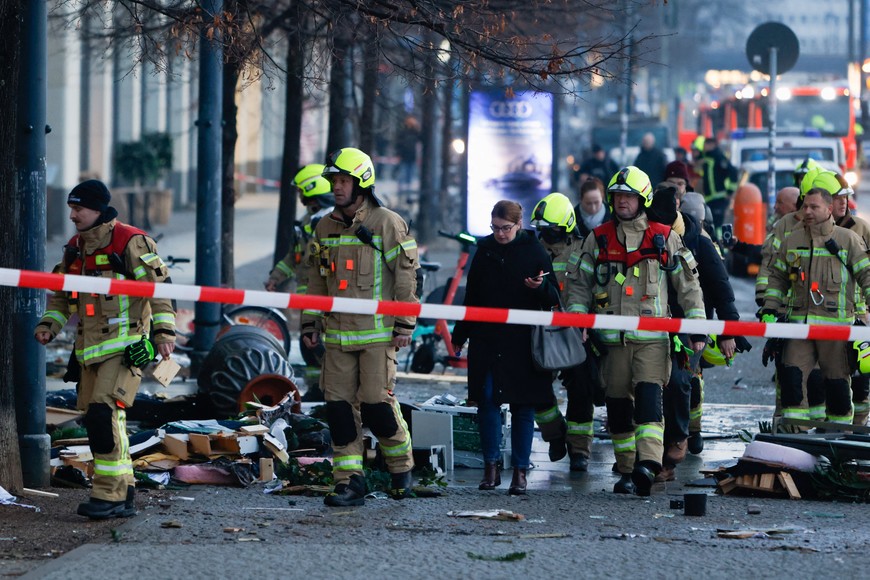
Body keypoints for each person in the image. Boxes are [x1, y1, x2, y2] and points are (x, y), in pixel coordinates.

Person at [34, 179, 176, 519]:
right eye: (70, 207)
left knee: (102, 414)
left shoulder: (131, 242)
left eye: (78, 208)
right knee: (108, 419)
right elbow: (61, 294)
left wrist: (164, 331)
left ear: (98, 209)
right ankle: (124, 489)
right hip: (89, 352)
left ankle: (108, 495)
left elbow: (159, 289)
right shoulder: (75, 248)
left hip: (126, 349)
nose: (72, 214)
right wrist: (48, 325)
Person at [565, 166, 705, 496]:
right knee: (618, 410)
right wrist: (577, 320)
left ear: (642, 199)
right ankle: (628, 470)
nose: (622, 202)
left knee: (648, 403)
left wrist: (698, 328)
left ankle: (650, 464)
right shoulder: (597, 239)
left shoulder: (664, 237)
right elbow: (578, 285)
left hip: (652, 342)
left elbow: (689, 286)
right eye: (618, 197)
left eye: (629, 196)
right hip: (612, 344)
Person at [300, 147, 419, 506]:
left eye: (342, 181)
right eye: (333, 181)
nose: (336, 187)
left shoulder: (387, 222)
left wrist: (404, 324)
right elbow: (315, 279)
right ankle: (349, 482)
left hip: (377, 337)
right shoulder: (323, 227)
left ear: (361, 183)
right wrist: (310, 321)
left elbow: (405, 277)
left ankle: (401, 467)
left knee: (376, 408)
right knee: (338, 411)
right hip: (336, 337)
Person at [451, 200, 560, 495]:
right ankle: (491, 467)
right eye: (495, 228)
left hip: (522, 341)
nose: (500, 233)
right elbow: (471, 297)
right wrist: (460, 333)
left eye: (505, 228)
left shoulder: (534, 251)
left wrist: (539, 288)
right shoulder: (485, 250)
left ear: (519, 225)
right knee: (486, 401)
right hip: (487, 339)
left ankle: (520, 473)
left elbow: (554, 298)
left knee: (523, 405)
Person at [645, 184, 747, 476]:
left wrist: (729, 332)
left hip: (690, 328)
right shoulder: (648, 236)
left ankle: (678, 440)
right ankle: (649, 456)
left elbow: (721, 288)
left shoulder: (700, 243)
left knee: (679, 383)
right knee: (650, 387)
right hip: (652, 325)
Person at [760, 186, 870, 427]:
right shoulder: (792, 240)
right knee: (791, 378)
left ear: (829, 209)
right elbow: (777, 277)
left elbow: (867, 277)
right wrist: (770, 308)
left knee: (837, 385)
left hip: (836, 331)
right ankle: (794, 437)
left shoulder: (848, 240)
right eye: (805, 206)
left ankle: (839, 439)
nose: (807, 211)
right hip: (800, 328)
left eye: (814, 207)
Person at [528, 192, 599, 472]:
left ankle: (580, 450)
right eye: (542, 230)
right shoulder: (533, 250)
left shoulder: (584, 248)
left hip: (574, 331)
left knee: (582, 388)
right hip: (539, 331)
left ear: (567, 226)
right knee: (534, 388)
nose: (546, 235)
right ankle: (555, 434)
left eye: (552, 230)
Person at [265, 164, 335, 382]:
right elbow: (293, 257)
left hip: (326, 298)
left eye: (302, 191)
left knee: (323, 346)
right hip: (309, 299)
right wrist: (276, 277)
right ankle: (317, 388)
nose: (300, 197)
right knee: (309, 345)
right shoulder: (308, 221)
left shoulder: (333, 221)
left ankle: (328, 387)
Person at [725, 186, 799, 265]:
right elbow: (765, 253)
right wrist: (737, 246)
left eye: (780, 203)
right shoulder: (781, 227)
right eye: (776, 202)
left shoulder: (804, 230)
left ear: (794, 206)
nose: (775, 206)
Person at [697, 137, 738, 231]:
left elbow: (733, 171)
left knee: (717, 225)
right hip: (709, 198)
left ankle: (719, 244)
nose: (704, 147)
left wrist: (730, 191)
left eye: (706, 144)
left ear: (712, 145)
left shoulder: (719, 157)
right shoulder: (707, 158)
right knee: (711, 224)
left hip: (718, 197)